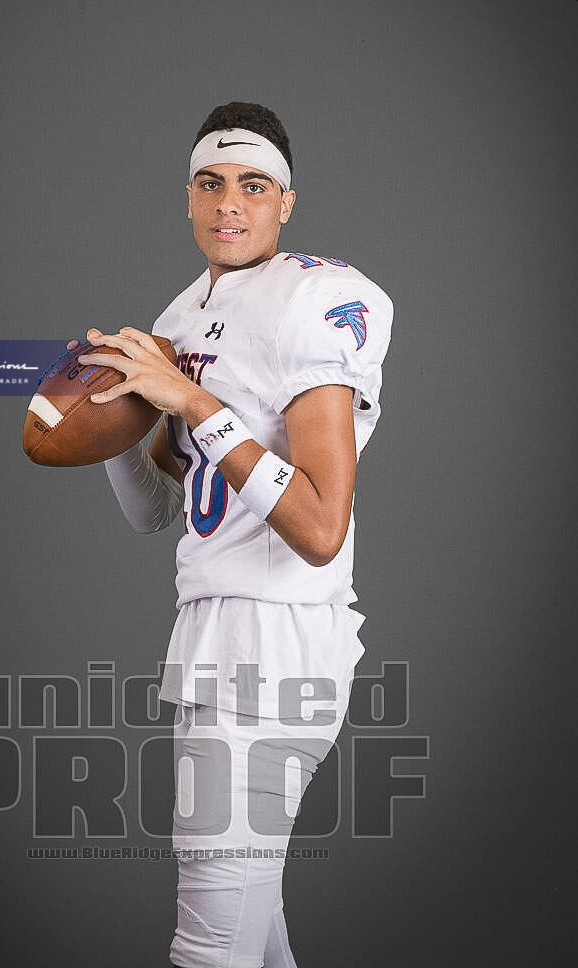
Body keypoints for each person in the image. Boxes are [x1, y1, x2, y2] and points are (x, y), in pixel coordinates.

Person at [75, 101, 393, 968]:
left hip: (278, 642)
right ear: (187, 196)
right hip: (213, 635)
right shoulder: (180, 317)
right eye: (210, 184)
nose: (229, 204)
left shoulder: (314, 297)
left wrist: (193, 402)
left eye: (254, 186)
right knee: (253, 935)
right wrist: (109, 426)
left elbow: (321, 526)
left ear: (286, 202)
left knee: (210, 950)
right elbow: (157, 510)